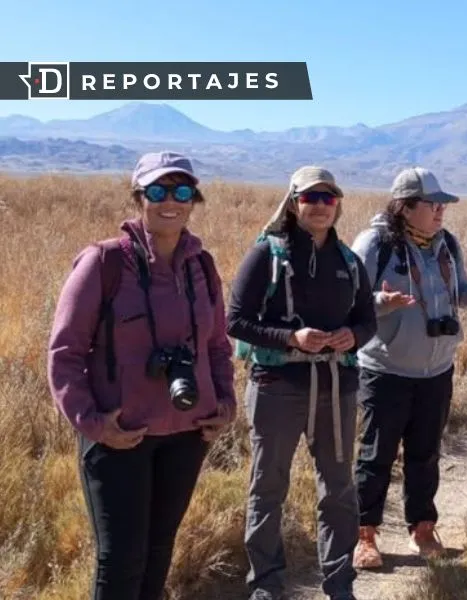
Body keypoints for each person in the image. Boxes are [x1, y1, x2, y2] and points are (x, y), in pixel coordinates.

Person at [46, 151, 236, 600]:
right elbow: (65, 352)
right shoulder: (104, 263)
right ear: (138, 197)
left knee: (157, 553)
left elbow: (216, 346)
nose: (171, 200)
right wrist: (92, 423)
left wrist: (223, 403)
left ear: (194, 199)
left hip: (187, 434)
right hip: (119, 436)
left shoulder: (201, 266)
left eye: (182, 191)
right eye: (158, 190)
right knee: (121, 560)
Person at [349, 166, 467, 569]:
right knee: (376, 455)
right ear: (406, 207)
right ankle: (364, 535)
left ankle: (422, 529)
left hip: (436, 371)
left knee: (425, 454)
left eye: (443, 204)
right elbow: (350, 299)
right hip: (385, 371)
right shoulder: (375, 243)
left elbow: (458, 292)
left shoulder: (446, 245)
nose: (441, 211)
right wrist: (381, 303)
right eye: (433, 204)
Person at [227, 166, 377, 600]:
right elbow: (235, 320)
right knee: (268, 487)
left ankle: (339, 583)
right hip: (277, 386)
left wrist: (356, 336)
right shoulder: (266, 255)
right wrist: (291, 338)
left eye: (329, 198)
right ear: (294, 203)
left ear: (338, 205)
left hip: (336, 386)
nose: (320, 206)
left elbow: (366, 319)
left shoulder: (348, 262)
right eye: (312, 197)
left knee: (339, 488)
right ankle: (267, 586)